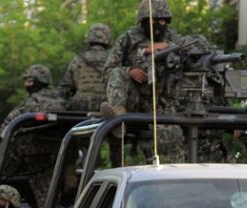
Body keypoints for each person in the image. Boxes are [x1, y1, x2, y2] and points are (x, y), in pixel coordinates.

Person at [100, 0, 185, 163]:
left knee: (171, 139)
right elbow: (107, 71)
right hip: (134, 98)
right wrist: (130, 70)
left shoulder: (174, 39)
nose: (158, 26)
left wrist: (169, 49)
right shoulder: (128, 38)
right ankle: (118, 116)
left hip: (163, 102)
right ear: (143, 21)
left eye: (162, 21)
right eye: (153, 21)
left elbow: (188, 61)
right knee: (117, 72)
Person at [0, 64, 72, 132]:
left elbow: (5, 129)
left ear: (35, 82)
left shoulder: (30, 104)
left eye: (29, 81)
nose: (25, 84)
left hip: (31, 144)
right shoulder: (66, 102)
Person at [59, 23, 112, 112]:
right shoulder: (113, 59)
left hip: (81, 105)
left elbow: (66, 86)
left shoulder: (78, 59)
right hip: (106, 105)